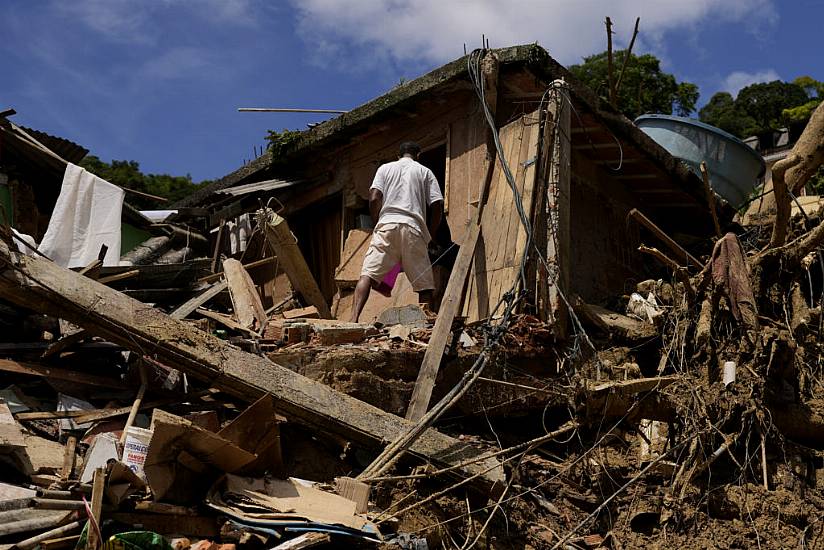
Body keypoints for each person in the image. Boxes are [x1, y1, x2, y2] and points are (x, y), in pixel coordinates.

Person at [351, 141, 444, 322]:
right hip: (413, 227)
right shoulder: (425, 171)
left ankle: (353, 321)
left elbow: (374, 197)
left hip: (387, 224)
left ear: (398, 155)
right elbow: (437, 204)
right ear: (418, 155)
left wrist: (378, 223)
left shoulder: (385, 169)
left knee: (368, 275)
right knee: (424, 286)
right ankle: (425, 326)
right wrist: (430, 234)